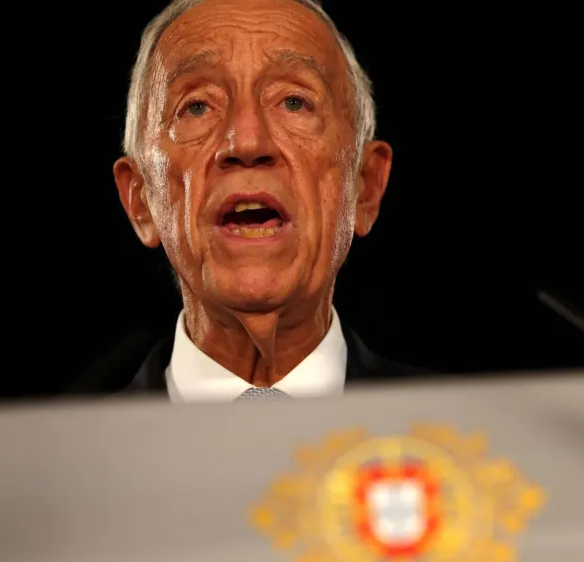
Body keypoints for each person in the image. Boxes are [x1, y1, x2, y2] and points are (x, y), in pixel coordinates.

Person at [104, 0, 422, 401]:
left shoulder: (472, 435)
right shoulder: (74, 442)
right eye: (198, 106)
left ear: (365, 186)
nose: (248, 142)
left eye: (294, 102)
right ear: (141, 199)